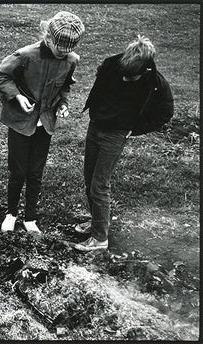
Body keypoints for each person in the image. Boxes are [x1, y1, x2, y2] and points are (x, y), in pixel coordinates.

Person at [74, 35, 174, 251]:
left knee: (99, 184)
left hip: (116, 135)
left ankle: (100, 239)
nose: (127, 80)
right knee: (89, 179)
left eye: (132, 77)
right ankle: (97, 222)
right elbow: (99, 89)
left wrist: (135, 130)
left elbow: (165, 113)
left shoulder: (156, 83)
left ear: (146, 69)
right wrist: (95, 113)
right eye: (125, 75)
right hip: (96, 126)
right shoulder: (112, 65)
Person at [0, 11, 85, 234]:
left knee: (35, 172)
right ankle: (11, 213)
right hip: (20, 122)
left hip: (45, 123)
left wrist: (62, 104)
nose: (64, 55)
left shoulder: (71, 60)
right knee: (18, 172)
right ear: (49, 38)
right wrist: (17, 96)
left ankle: (30, 218)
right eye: (59, 50)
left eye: (68, 51)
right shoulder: (26, 55)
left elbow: (64, 86)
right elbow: (1, 76)